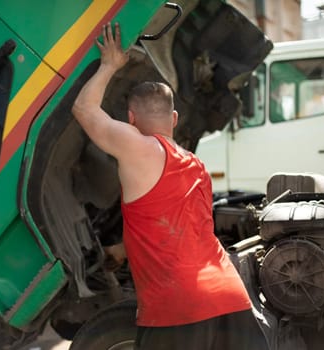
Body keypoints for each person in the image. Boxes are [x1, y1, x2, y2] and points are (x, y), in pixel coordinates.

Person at [72, 22, 269, 350]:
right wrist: (122, 250)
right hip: (229, 296)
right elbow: (180, 227)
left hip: (180, 306)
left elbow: (84, 110)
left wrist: (110, 64)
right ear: (174, 119)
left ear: (131, 120)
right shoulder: (196, 167)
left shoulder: (138, 147)